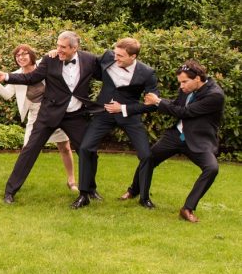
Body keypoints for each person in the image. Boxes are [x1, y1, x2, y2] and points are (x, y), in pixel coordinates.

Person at [0, 31, 100, 204]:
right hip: (49, 113)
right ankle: (10, 192)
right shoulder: (50, 59)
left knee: (89, 151)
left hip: (75, 116)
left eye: (63, 47)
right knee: (29, 150)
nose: (58, 49)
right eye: (57, 45)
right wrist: (5, 76)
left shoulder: (89, 59)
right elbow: (31, 77)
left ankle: (90, 189)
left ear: (75, 48)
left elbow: (107, 71)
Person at [71, 38, 159, 209]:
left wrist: (124, 108)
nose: (115, 58)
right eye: (115, 53)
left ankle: (144, 197)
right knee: (85, 148)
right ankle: (84, 195)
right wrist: (53, 53)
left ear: (133, 56)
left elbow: (152, 105)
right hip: (104, 113)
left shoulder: (147, 73)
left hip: (129, 116)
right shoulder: (107, 57)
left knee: (146, 155)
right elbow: (85, 60)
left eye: (121, 56)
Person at [136, 60, 225, 222]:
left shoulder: (215, 95)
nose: (181, 86)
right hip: (176, 135)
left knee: (212, 169)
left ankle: (187, 208)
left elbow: (185, 112)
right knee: (148, 158)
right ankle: (134, 190)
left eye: (184, 82)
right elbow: (177, 105)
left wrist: (158, 102)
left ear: (197, 78)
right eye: (180, 82)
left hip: (199, 139)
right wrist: (159, 101)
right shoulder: (187, 88)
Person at [0, 44, 77, 191]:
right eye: (17, 55)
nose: (21, 57)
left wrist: (55, 52)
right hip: (35, 115)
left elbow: (62, 58)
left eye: (24, 54)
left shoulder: (43, 64)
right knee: (28, 149)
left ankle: (71, 180)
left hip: (54, 111)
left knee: (64, 147)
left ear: (31, 55)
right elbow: (7, 95)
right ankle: (16, 184)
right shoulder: (16, 74)